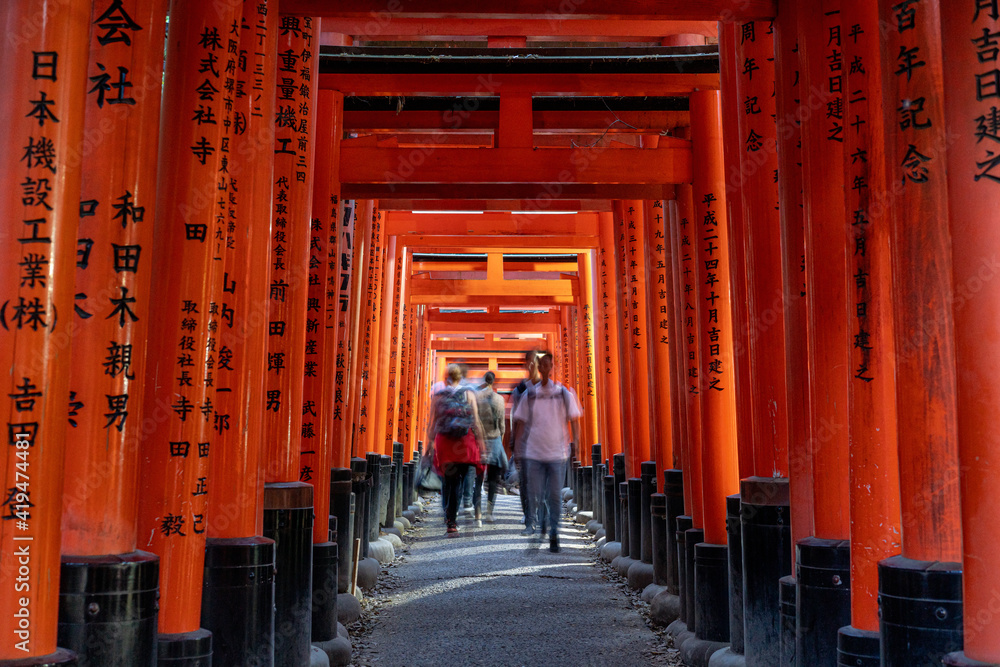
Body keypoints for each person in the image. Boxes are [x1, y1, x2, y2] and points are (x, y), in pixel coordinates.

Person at [512, 352, 581, 553]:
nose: (543, 367)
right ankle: (543, 522)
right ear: (538, 367)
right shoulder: (529, 395)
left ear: (551, 367)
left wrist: (576, 445)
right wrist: (518, 449)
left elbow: (574, 420)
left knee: (554, 495)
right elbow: (520, 423)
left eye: (547, 364)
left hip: (557, 453)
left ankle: (554, 532)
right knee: (537, 493)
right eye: (541, 364)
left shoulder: (563, 394)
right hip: (533, 453)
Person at [428, 363, 487, 536]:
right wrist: (482, 444)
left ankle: (450, 519)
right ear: (460, 377)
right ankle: (452, 518)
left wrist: (430, 443)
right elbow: (476, 421)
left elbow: (433, 422)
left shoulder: (439, 396)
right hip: (464, 444)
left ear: (447, 377)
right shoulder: (469, 394)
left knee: (449, 480)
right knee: (459, 481)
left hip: (445, 443)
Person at [509, 349, 540, 528]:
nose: (531, 365)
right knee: (525, 481)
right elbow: (515, 418)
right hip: (525, 442)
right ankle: (529, 514)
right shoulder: (519, 390)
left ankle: (536, 512)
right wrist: (513, 440)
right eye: (528, 362)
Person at [476, 371, 507, 523]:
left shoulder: (477, 397)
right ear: (493, 381)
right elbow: (502, 426)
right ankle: (489, 512)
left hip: (479, 441)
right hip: (494, 440)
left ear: (484, 380)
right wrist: (500, 441)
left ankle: (477, 513)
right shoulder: (499, 399)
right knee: (493, 479)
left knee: (478, 478)